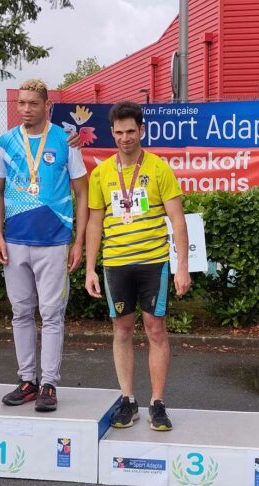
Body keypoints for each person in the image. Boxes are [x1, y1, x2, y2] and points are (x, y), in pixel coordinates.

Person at [85, 101, 191, 431]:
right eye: (119, 132)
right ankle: (127, 400)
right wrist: (90, 268)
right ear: (112, 133)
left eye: (131, 131)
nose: (125, 138)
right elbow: (94, 223)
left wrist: (182, 266)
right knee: (122, 329)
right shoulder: (101, 173)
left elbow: (177, 220)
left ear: (141, 130)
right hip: (116, 263)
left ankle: (157, 403)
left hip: (153, 262)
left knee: (155, 329)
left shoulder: (159, 169)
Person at [0, 79, 87, 412]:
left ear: (48, 106)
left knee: (51, 314)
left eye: (33, 103)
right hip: (15, 241)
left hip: (54, 241)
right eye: (21, 103)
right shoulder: (4, 142)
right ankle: (27, 381)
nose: (26, 109)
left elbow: (83, 192)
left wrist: (78, 241)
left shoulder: (65, 140)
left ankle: (48, 384)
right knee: (20, 313)